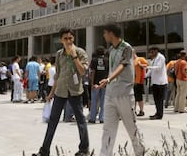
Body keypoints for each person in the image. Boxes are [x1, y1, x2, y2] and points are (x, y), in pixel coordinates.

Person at [33, 28, 90, 156]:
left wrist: (74, 55)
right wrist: (51, 92)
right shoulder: (59, 54)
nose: (68, 41)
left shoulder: (80, 52)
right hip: (60, 92)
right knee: (52, 121)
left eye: (70, 38)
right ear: (61, 40)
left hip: (75, 91)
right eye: (65, 39)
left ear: (73, 38)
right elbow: (57, 75)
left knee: (80, 120)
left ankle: (84, 149)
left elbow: (82, 72)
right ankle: (44, 150)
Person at [97, 23, 145, 156]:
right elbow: (113, 69)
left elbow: (122, 65)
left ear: (111, 33)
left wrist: (109, 79)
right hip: (110, 94)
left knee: (131, 127)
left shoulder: (127, 48)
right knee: (108, 129)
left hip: (124, 94)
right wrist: (106, 81)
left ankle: (140, 152)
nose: (104, 35)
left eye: (105, 32)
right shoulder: (111, 50)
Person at [146, 47, 168, 120]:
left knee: (160, 99)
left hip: (161, 82)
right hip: (155, 82)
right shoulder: (153, 59)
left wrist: (147, 67)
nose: (151, 54)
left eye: (152, 52)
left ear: (156, 51)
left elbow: (158, 68)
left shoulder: (161, 57)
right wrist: (145, 76)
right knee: (156, 99)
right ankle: (157, 112)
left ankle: (159, 114)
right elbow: (150, 71)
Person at [89, 46, 109, 123]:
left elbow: (93, 72)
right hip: (104, 83)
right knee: (103, 101)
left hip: (96, 83)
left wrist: (92, 83)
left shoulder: (94, 60)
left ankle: (92, 118)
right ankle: (102, 118)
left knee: (94, 101)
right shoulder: (107, 60)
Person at [133, 49, 148, 116]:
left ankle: (141, 110)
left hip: (139, 81)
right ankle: (133, 110)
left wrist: (140, 65)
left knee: (139, 97)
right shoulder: (130, 61)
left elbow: (147, 66)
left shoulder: (140, 59)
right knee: (133, 97)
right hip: (132, 82)